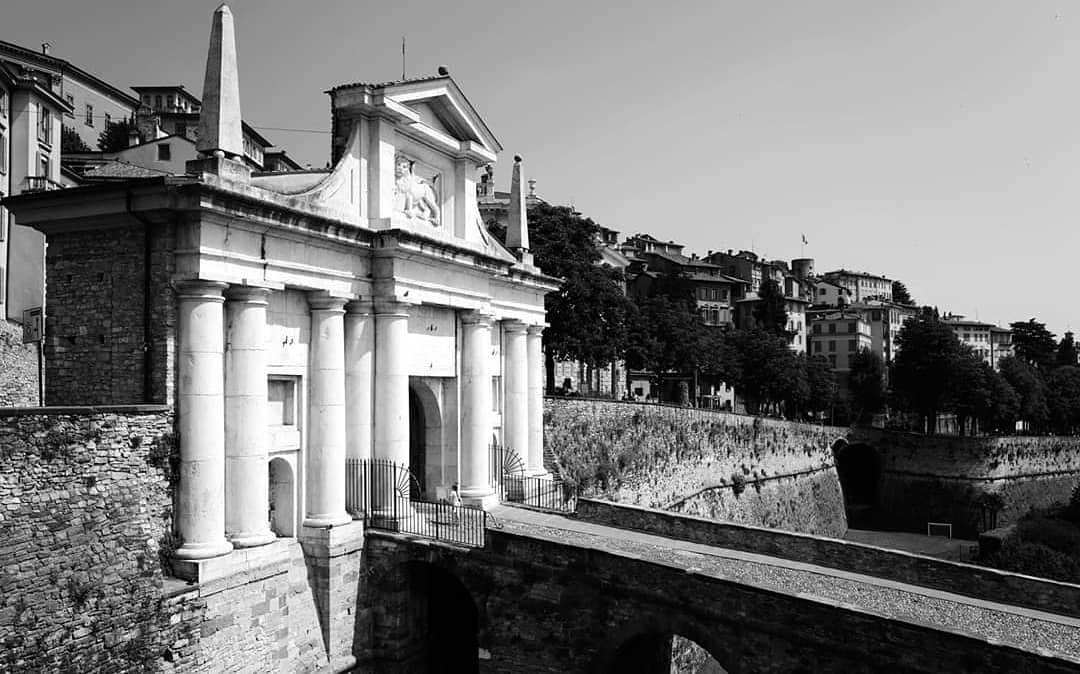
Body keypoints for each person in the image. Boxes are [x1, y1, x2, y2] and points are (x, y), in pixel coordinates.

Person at [393, 153, 440, 226]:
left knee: (431, 203)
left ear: (408, 169)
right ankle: (425, 214)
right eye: (398, 165)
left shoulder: (412, 183)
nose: (400, 168)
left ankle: (437, 217)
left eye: (404, 167)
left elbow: (409, 195)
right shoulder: (398, 181)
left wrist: (409, 210)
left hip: (420, 192)